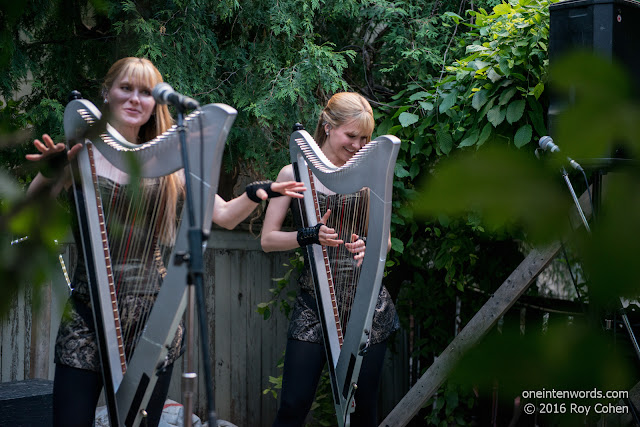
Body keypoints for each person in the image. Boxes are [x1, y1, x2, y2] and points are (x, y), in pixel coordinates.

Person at [25, 57, 305, 427]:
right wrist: (49, 173)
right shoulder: (80, 153)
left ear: (156, 102)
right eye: (126, 88)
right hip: (87, 317)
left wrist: (260, 192)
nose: (135, 99)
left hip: (155, 319)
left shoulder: (171, 160)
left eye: (145, 92)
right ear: (107, 93)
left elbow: (222, 216)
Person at [261, 92, 399, 426]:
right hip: (315, 305)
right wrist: (309, 235)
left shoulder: (368, 177)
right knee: (292, 406)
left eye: (365, 138)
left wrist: (368, 247)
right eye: (351, 136)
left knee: (362, 410)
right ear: (327, 126)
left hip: (367, 308)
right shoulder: (291, 173)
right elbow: (267, 240)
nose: (358, 145)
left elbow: (387, 243)